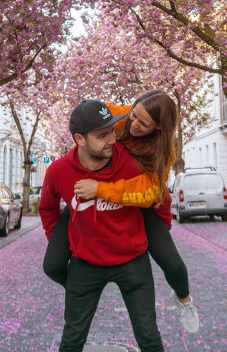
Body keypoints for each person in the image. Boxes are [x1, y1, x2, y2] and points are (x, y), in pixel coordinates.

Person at [43, 90, 199, 334]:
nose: (134, 124)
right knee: (52, 265)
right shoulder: (120, 116)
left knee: (174, 265)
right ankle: (80, 287)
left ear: (158, 128)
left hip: (141, 202)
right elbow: (89, 116)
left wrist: (102, 190)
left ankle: (184, 300)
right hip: (92, 193)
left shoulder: (163, 151)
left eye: (143, 123)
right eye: (134, 115)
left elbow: (151, 194)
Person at [39, 100, 166, 351]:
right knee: (72, 339)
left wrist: (165, 225)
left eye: (112, 131)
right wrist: (61, 240)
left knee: (149, 337)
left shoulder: (131, 163)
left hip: (133, 261)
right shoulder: (59, 171)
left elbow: (158, 195)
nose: (112, 139)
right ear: (80, 139)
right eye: (102, 135)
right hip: (85, 265)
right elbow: (47, 207)